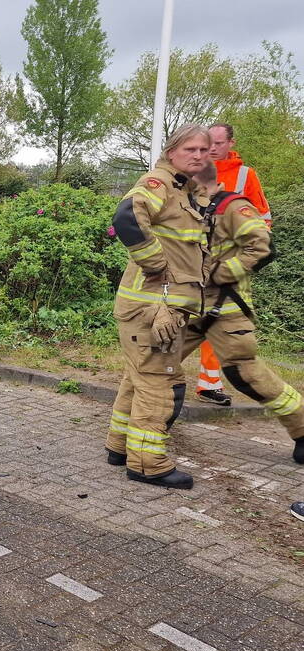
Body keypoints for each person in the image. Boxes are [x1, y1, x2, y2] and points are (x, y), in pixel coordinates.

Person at [104, 124, 213, 490]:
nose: (198, 155)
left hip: (159, 307)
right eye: (190, 149)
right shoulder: (160, 183)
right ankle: (148, 464)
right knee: (161, 383)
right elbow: (126, 218)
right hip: (152, 308)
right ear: (171, 151)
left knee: (138, 379)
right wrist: (157, 267)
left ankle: (119, 447)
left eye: (204, 150)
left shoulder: (185, 191)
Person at [181, 160, 304, 464]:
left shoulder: (234, 206)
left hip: (227, 308)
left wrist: (224, 273)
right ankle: (148, 428)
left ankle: (302, 428)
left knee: (245, 374)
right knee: (157, 362)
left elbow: (262, 247)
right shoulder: (191, 208)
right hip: (190, 306)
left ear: (201, 182)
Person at [190, 123, 273, 406]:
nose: (212, 148)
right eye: (207, 142)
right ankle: (160, 380)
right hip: (195, 261)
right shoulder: (194, 170)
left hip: (227, 266)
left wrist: (241, 260)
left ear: (230, 143)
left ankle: (208, 384)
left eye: (217, 143)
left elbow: (263, 220)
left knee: (219, 322)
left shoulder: (244, 175)